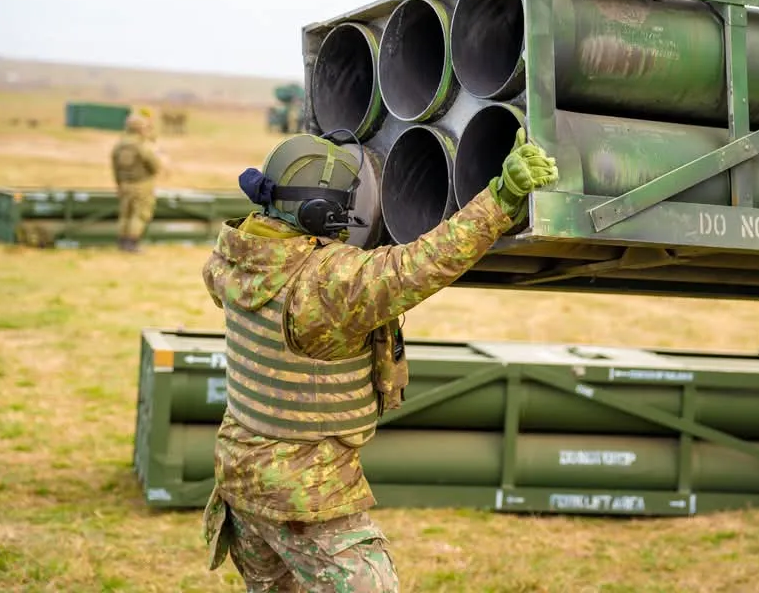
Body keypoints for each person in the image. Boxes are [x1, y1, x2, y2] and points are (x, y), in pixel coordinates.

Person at [201, 128, 558, 592]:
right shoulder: (328, 284)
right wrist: (502, 197)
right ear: (318, 210)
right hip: (304, 492)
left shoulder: (236, 253)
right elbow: (421, 264)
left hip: (239, 473)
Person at [110, 106, 163, 252]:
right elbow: (155, 165)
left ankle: (122, 242)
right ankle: (132, 244)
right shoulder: (141, 145)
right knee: (139, 215)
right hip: (142, 184)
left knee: (125, 215)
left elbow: (115, 167)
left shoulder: (120, 145)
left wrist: (119, 183)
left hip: (124, 184)